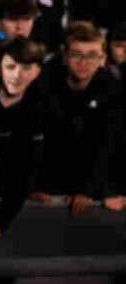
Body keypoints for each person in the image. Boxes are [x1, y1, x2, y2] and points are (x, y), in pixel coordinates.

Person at [35, 21, 124, 215]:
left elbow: (107, 144)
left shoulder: (113, 91)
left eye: (92, 56)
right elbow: (38, 141)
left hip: (96, 180)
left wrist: (89, 190)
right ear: (64, 56)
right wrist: (35, 187)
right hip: (51, 179)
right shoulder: (44, 86)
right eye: (76, 55)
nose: (84, 63)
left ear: (103, 59)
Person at [0, 37, 46, 248]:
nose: (17, 75)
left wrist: (0, 219)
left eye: (27, 68)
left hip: (10, 192)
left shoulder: (41, 108)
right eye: (10, 67)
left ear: (38, 71)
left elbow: (27, 169)